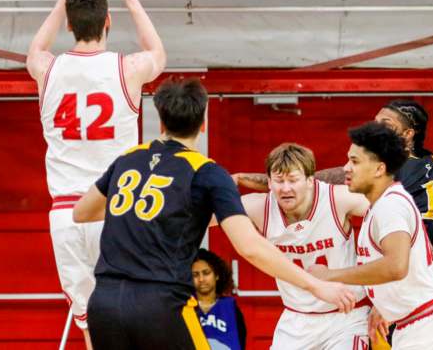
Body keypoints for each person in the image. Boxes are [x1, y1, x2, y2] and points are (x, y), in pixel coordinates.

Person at [73, 78, 356, 350]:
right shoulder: (206, 171)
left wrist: (138, 213)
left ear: (160, 121)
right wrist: (316, 285)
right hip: (159, 303)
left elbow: (82, 212)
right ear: (203, 124)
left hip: (105, 301)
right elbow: (250, 247)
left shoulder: (127, 159)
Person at [26, 0, 165, 349]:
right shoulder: (128, 68)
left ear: (68, 26)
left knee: (91, 323)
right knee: (130, 312)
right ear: (107, 22)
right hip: (116, 207)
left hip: (66, 213)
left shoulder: (46, 68)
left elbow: (35, 49)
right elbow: (157, 51)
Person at [233, 100, 433, 252]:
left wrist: (245, 178)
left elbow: (310, 182)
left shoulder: (382, 166)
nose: (375, 129)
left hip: (401, 279)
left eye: (384, 124)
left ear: (408, 134)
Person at [309, 122, 433, 350]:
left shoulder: (390, 206)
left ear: (379, 169)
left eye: (354, 161)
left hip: (429, 326)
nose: (346, 168)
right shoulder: (383, 203)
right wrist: (383, 306)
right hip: (417, 323)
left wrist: (329, 275)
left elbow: (396, 267)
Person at [231, 142, 371, 350]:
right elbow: (196, 217)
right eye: (279, 181)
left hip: (348, 315)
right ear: (269, 182)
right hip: (296, 319)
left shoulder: (338, 198)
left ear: (310, 181)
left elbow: (396, 215)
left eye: (293, 180)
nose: (286, 188)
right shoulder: (258, 206)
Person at [192, 249, 246, 350]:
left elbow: (241, 342)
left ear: (216, 275)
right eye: (195, 275)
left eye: (206, 273)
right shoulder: (186, 307)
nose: (201, 279)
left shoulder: (231, 308)